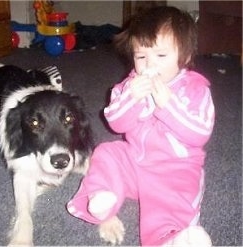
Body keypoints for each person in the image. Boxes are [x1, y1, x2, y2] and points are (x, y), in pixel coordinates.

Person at [67, 6, 215, 246]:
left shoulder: (196, 89)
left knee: (170, 202)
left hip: (174, 170)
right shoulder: (130, 85)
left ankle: (173, 237)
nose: (148, 65)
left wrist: (167, 105)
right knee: (107, 152)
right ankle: (104, 194)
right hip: (135, 163)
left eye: (161, 56)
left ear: (185, 57)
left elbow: (199, 134)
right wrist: (131, 99)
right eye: (141, 56)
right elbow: (115, 122)